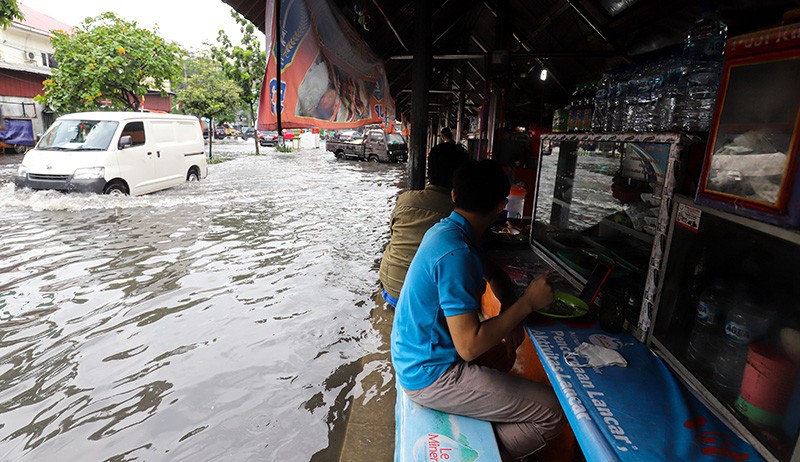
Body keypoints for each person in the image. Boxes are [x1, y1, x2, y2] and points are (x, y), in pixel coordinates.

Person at [391, 159, 565, 461]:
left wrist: (509, 312)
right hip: (430, 375)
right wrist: (527, 304)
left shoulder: (448, 232)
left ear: (454, 196)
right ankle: (480, 452)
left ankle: (487, 435)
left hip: (418, 357)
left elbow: (494, 273)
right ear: (502, 205)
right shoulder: (456, 252)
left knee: (504, 356)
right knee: (552, 411)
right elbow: (469, 346)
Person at [379, 143, 469, 308]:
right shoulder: (458, 211)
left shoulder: (405, 199)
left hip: (389, 286)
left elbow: (393, 234)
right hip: (417, 300)